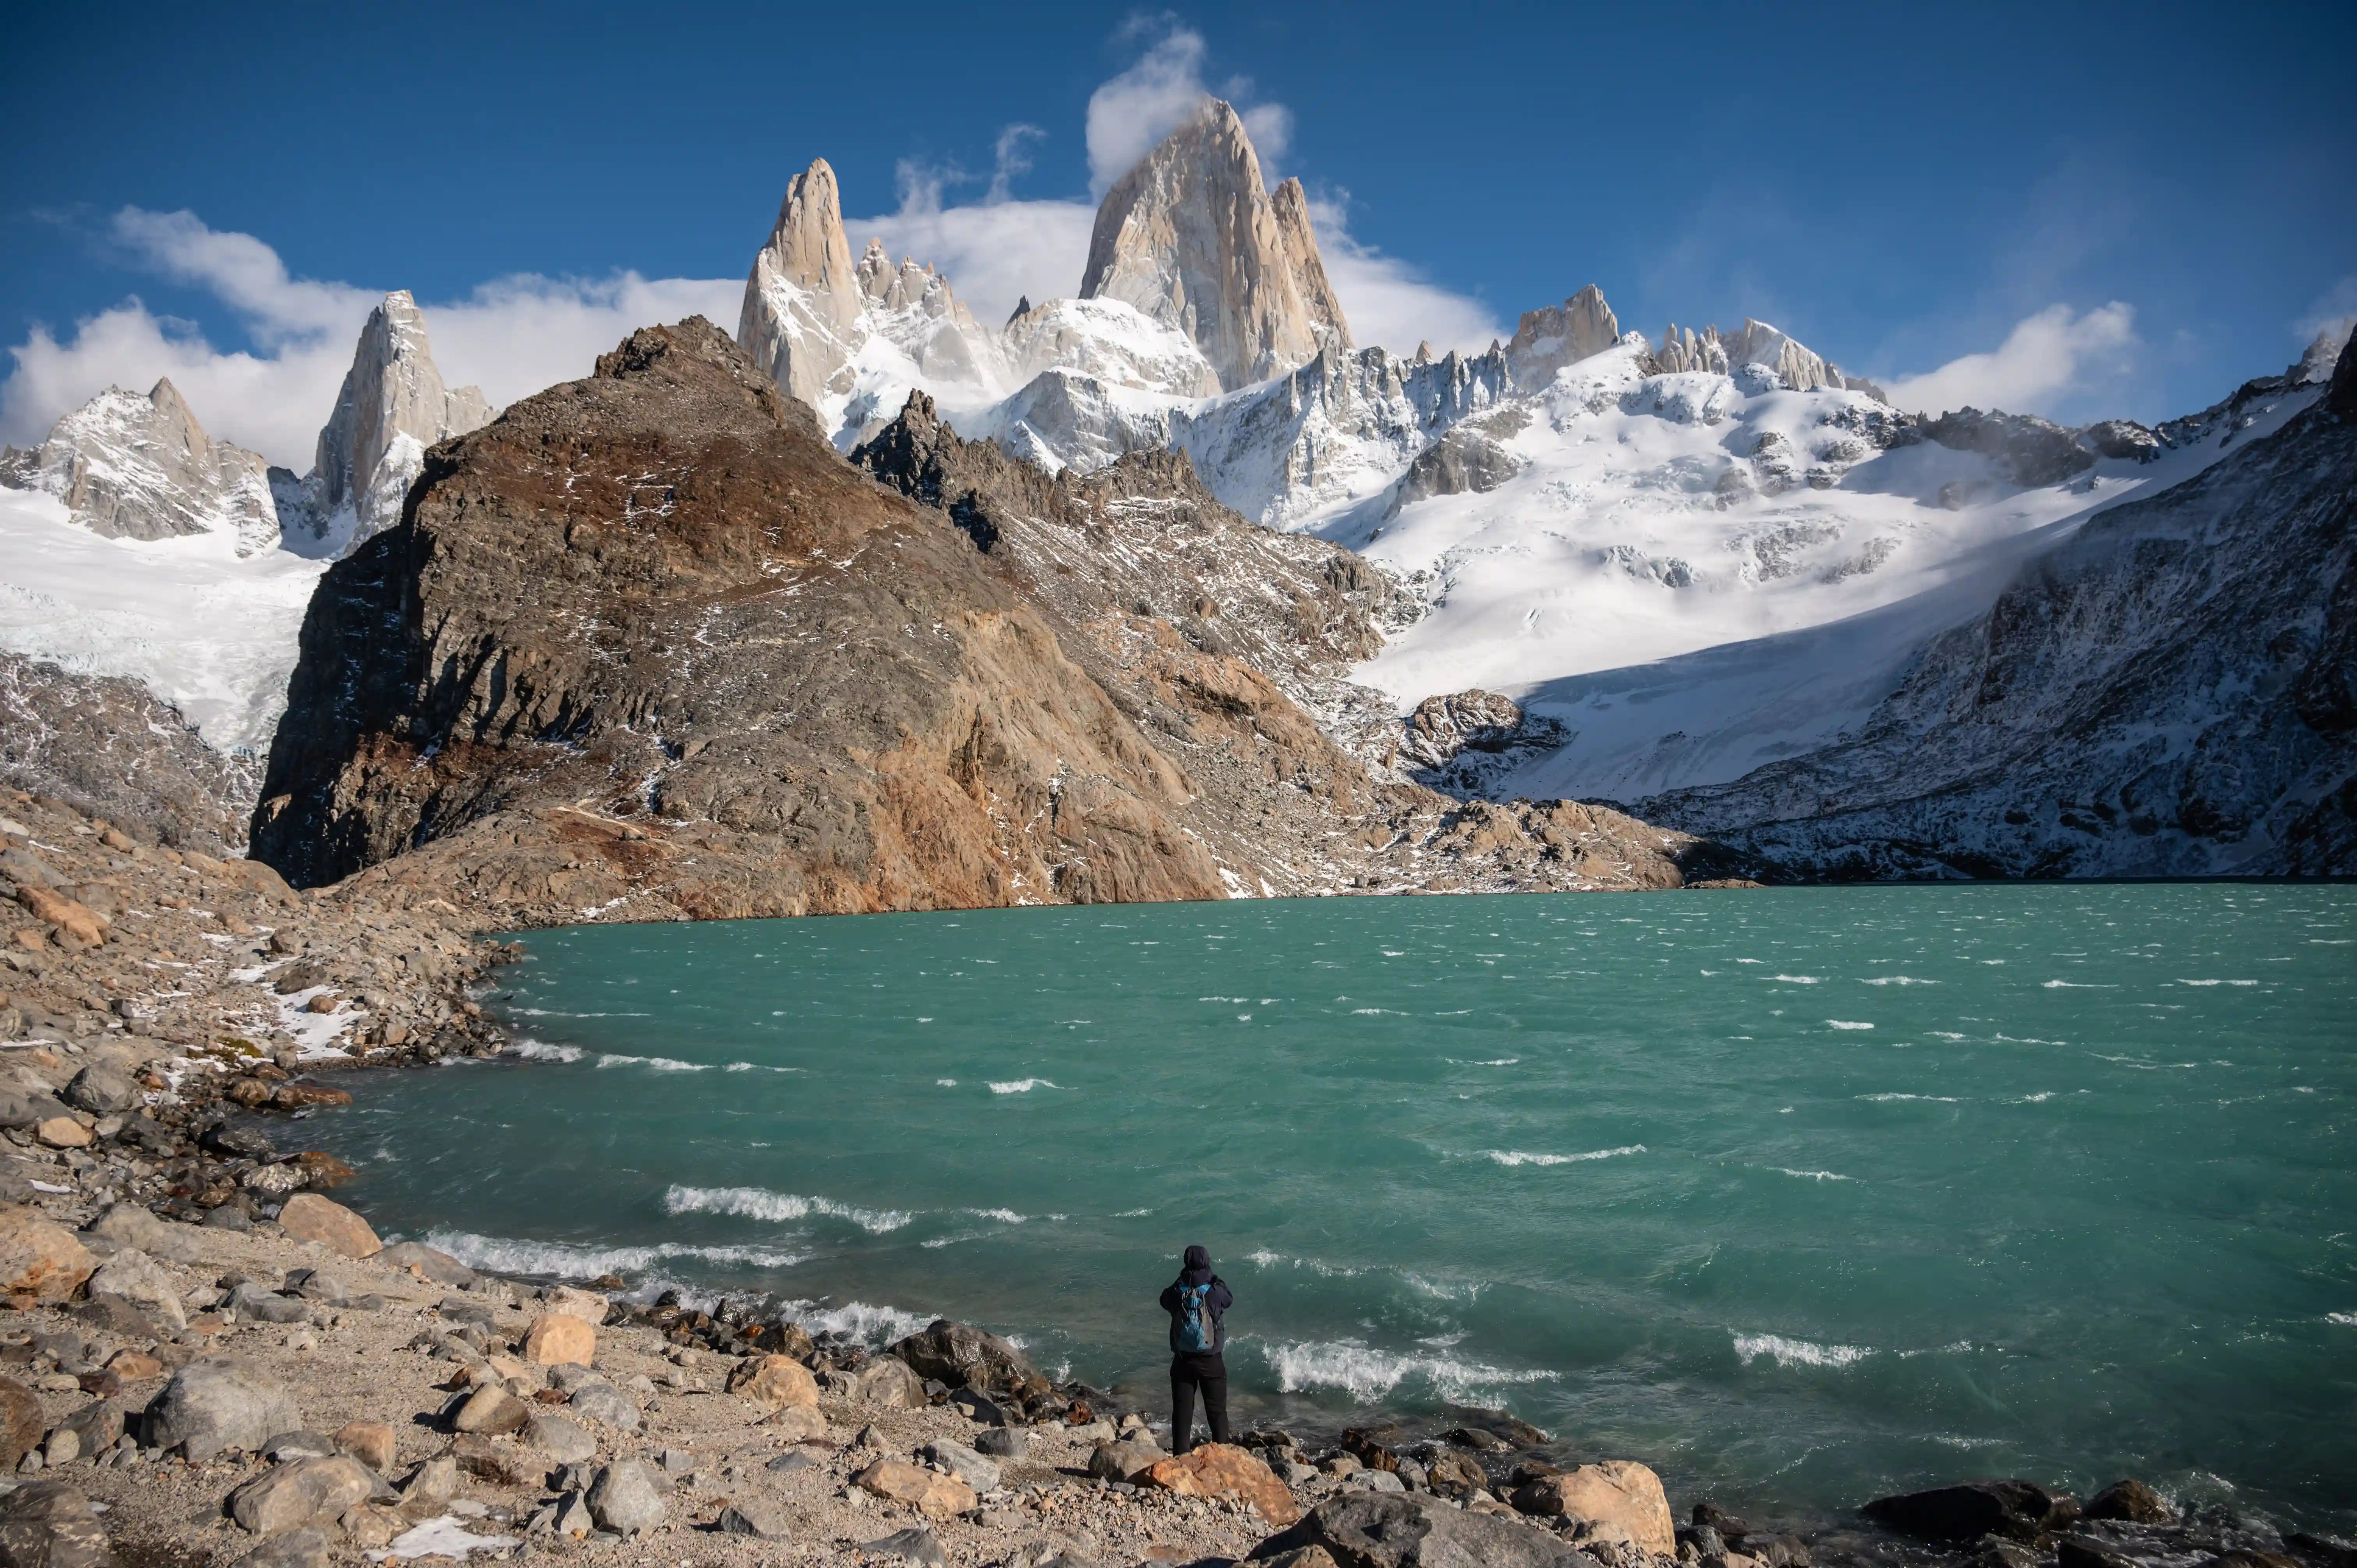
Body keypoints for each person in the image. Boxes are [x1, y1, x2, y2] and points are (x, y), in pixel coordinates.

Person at [1158, 1243, 1233, 1453]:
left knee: (1182, 1415)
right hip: (1211, 1361)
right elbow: (1229, 1299)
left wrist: (1181, 1281)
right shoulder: (1213, 1291)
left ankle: (1180, 1461)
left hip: (1183, 1361)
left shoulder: (1176, 1291)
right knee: (1217, 1413)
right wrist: (1215, 1279)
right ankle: (1222, 1459)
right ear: (1206, 1262)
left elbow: (1163, 1300)